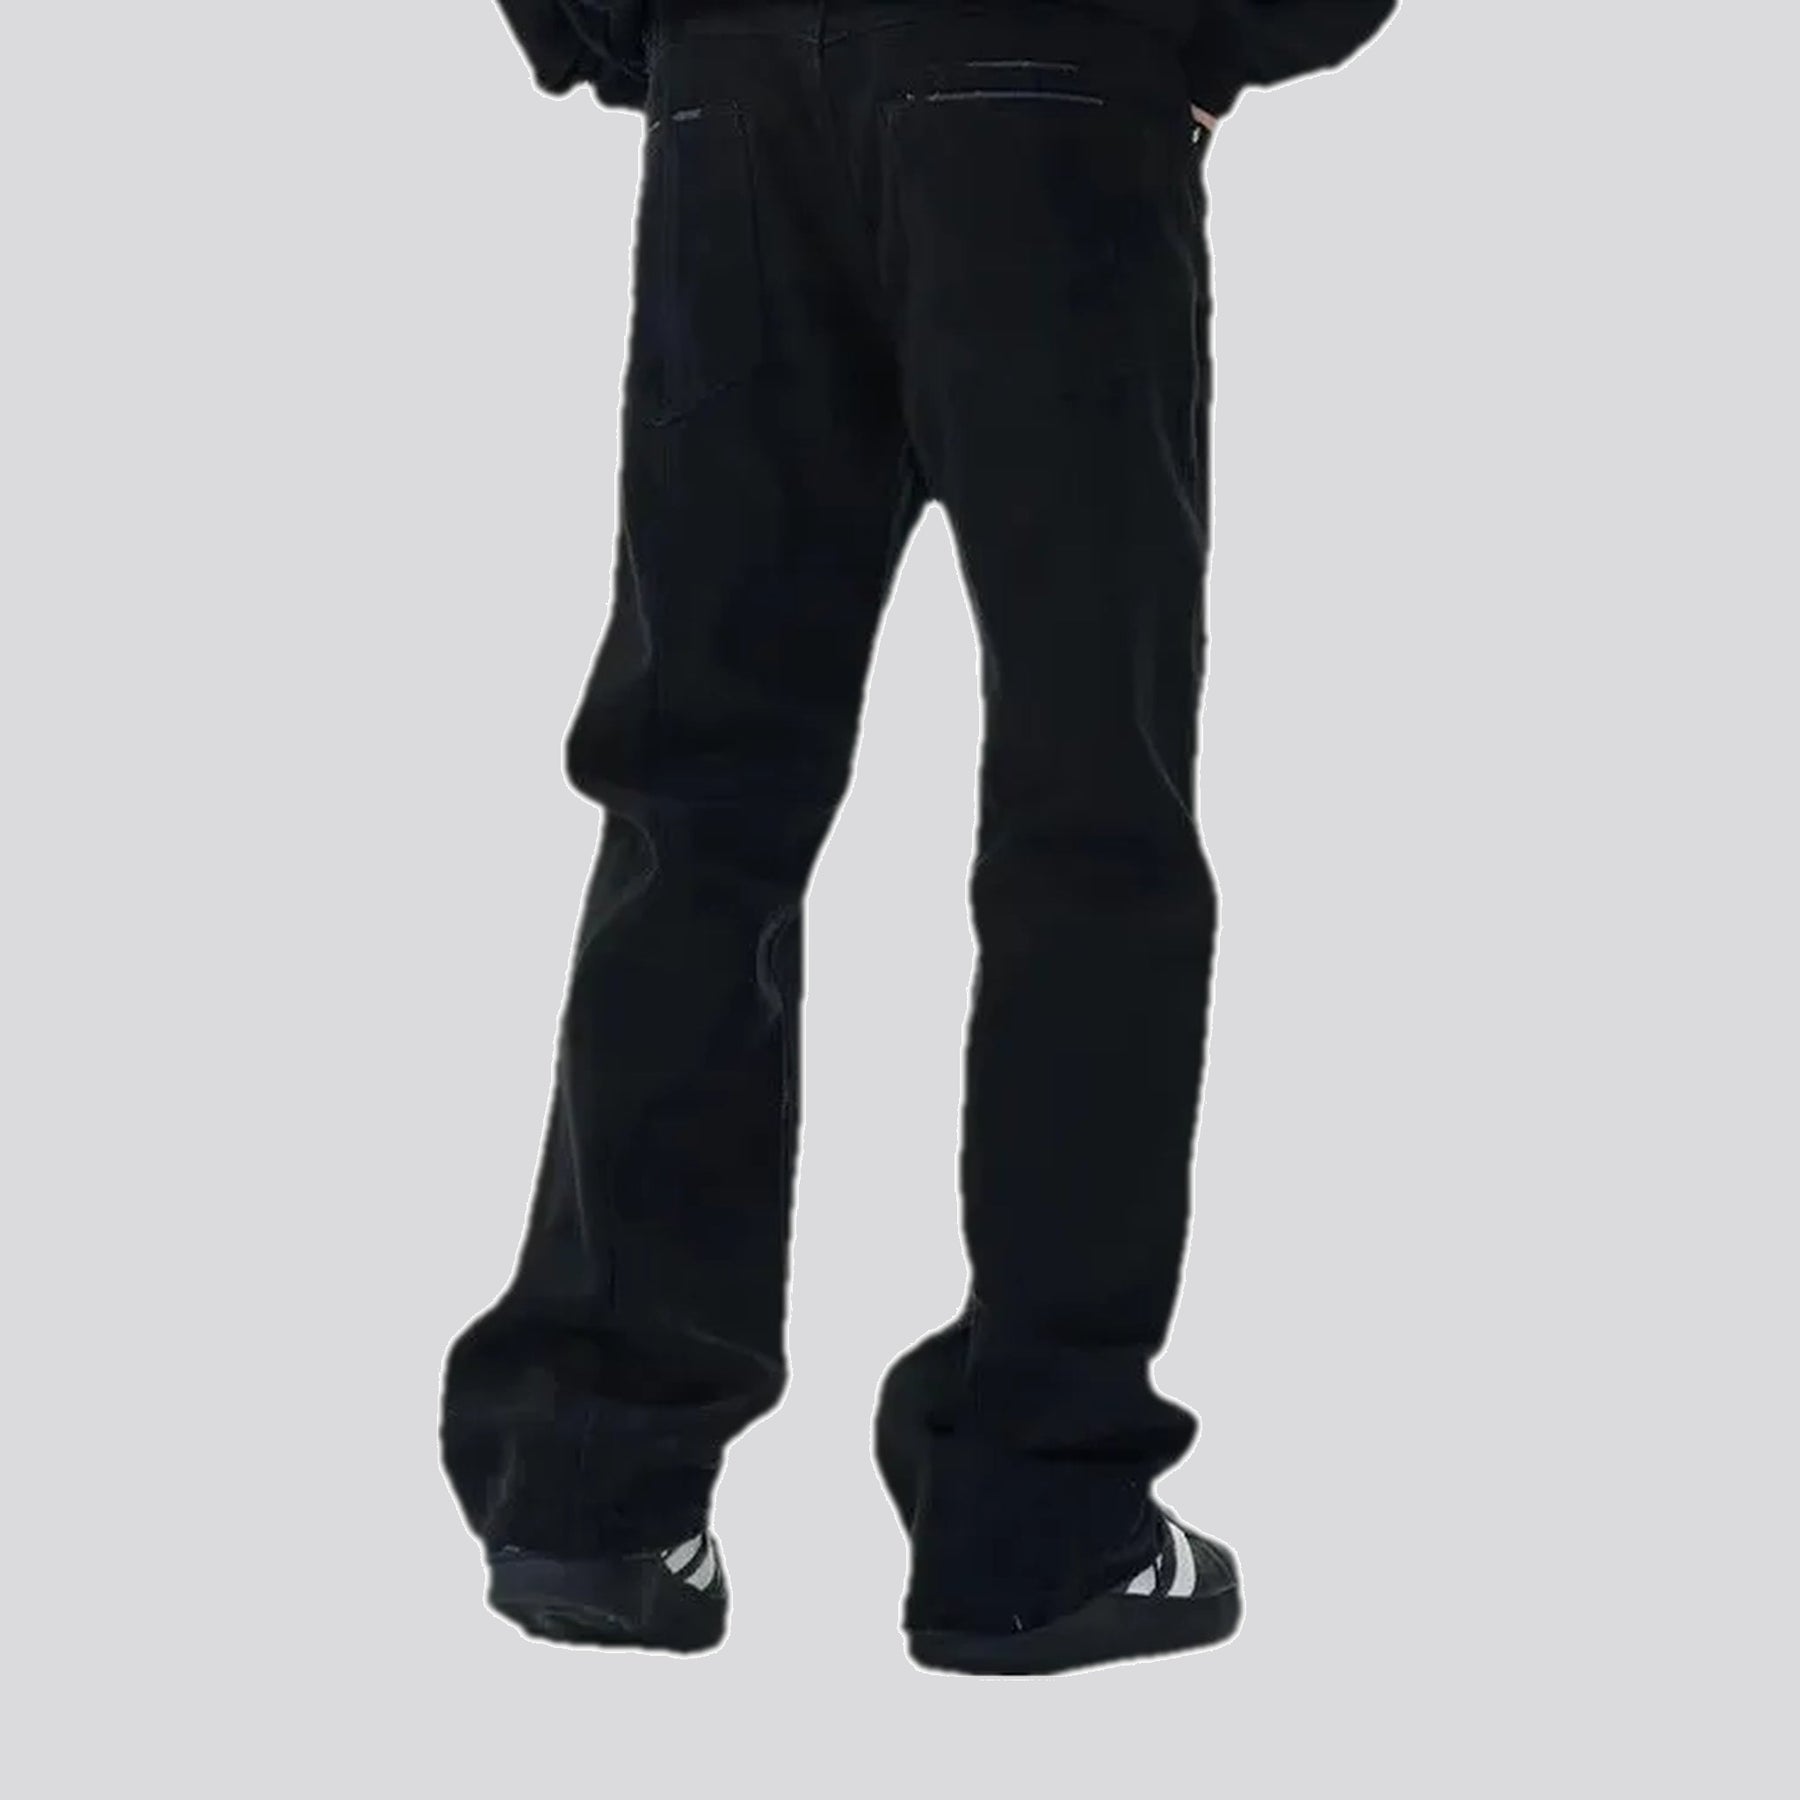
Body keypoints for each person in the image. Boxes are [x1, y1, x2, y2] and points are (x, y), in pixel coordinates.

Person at [441, 0, 1397, 1676]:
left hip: (739, 88)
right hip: (1050, 78)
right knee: (1087, 809)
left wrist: (646, 32)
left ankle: (595, 1485)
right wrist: (1217, 37)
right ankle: (1040, 1515)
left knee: (696, 797)